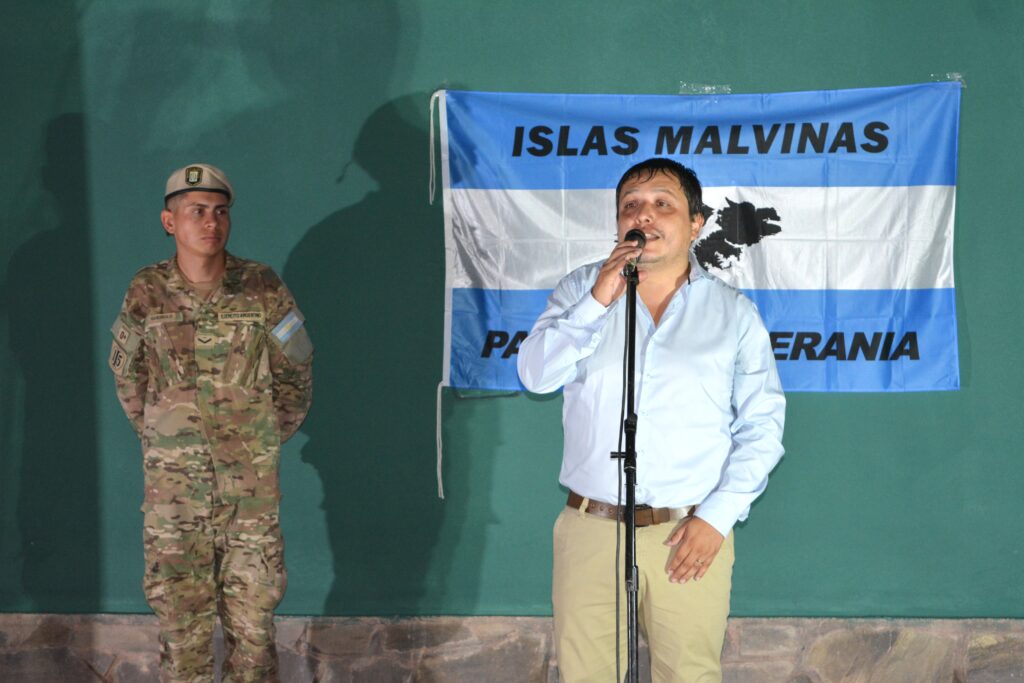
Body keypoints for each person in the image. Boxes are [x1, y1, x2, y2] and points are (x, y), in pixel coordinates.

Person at [517, 157, 785, 683]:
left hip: (689, 532)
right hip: (591, 528)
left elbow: (763, 426)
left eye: (663, 204)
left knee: (688, 675)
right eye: (631, 205)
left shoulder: (733, 312)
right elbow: (535, 376)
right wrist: (598, 300)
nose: (644, 215)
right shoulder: (580, 291)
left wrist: (717, 518)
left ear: (696, 223)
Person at [109, 163, 313, 682]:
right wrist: (165, 438)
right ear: (169, 222)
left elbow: (296, 373)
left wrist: (257, 439)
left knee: (254, 633)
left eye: (220, 212)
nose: (211, 222)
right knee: (182, 635)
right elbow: (129, 379)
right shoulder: (146, 290)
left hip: (250, 499)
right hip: (174, 500)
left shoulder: (262, 286)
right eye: (196, 211)